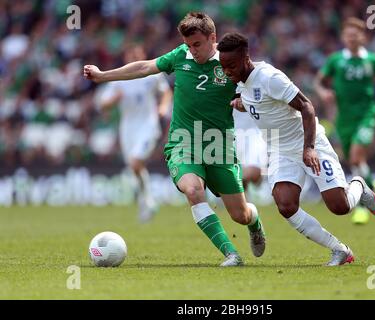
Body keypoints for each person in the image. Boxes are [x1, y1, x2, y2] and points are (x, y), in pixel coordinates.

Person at [84, 12, 265, 267]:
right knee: (193, 190)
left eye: (197, 44)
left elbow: (257, 94)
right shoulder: (181, 56)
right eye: (189, 44)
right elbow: (145, 66)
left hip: (219, 147)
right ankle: (231, 254)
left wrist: (245, 104)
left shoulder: (229, 63)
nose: (192, 50)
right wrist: (103, 75)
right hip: (183, 142)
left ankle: (254, 222)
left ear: (213, 38)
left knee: (241, 215)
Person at [218, 32, 375, 266]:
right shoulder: (241, 81)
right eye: (224, 67)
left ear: (246, 57)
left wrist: (310, 148)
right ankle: (339, 250)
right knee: (285, 205)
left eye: (231, 66)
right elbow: (262, 104)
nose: (227, 71)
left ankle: (358, 185)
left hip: (309, 143)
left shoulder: (269, 77)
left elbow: (306, 106)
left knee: (340, 206)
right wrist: (243, 104)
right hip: (280, 150)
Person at [314, 17, 375, 224]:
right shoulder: (336, 60)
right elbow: (319, 81)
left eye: (356, 35)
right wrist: (323, 92)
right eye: (348, 35)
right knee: (355, 160)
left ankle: (362, 207)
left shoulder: (372, 60)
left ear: (362, 37)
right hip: (344, 118)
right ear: (343, 37)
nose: (352, 39)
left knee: (355, 158)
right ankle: (372, 183)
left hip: (366, 114)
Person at [97, 44, 173, 223]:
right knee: (134, 167)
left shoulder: (152, 75)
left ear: (143, 55)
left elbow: (166, 93)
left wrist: (162, 107)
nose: (134, 58)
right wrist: (113, 100)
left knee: (135, 162)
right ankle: (147, 201)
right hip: (127, 128)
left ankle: (147, 200)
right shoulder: (119, 78)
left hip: (148, 125)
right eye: (131, 55)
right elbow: (102, 104)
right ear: (126, 58)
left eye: (137, 55)